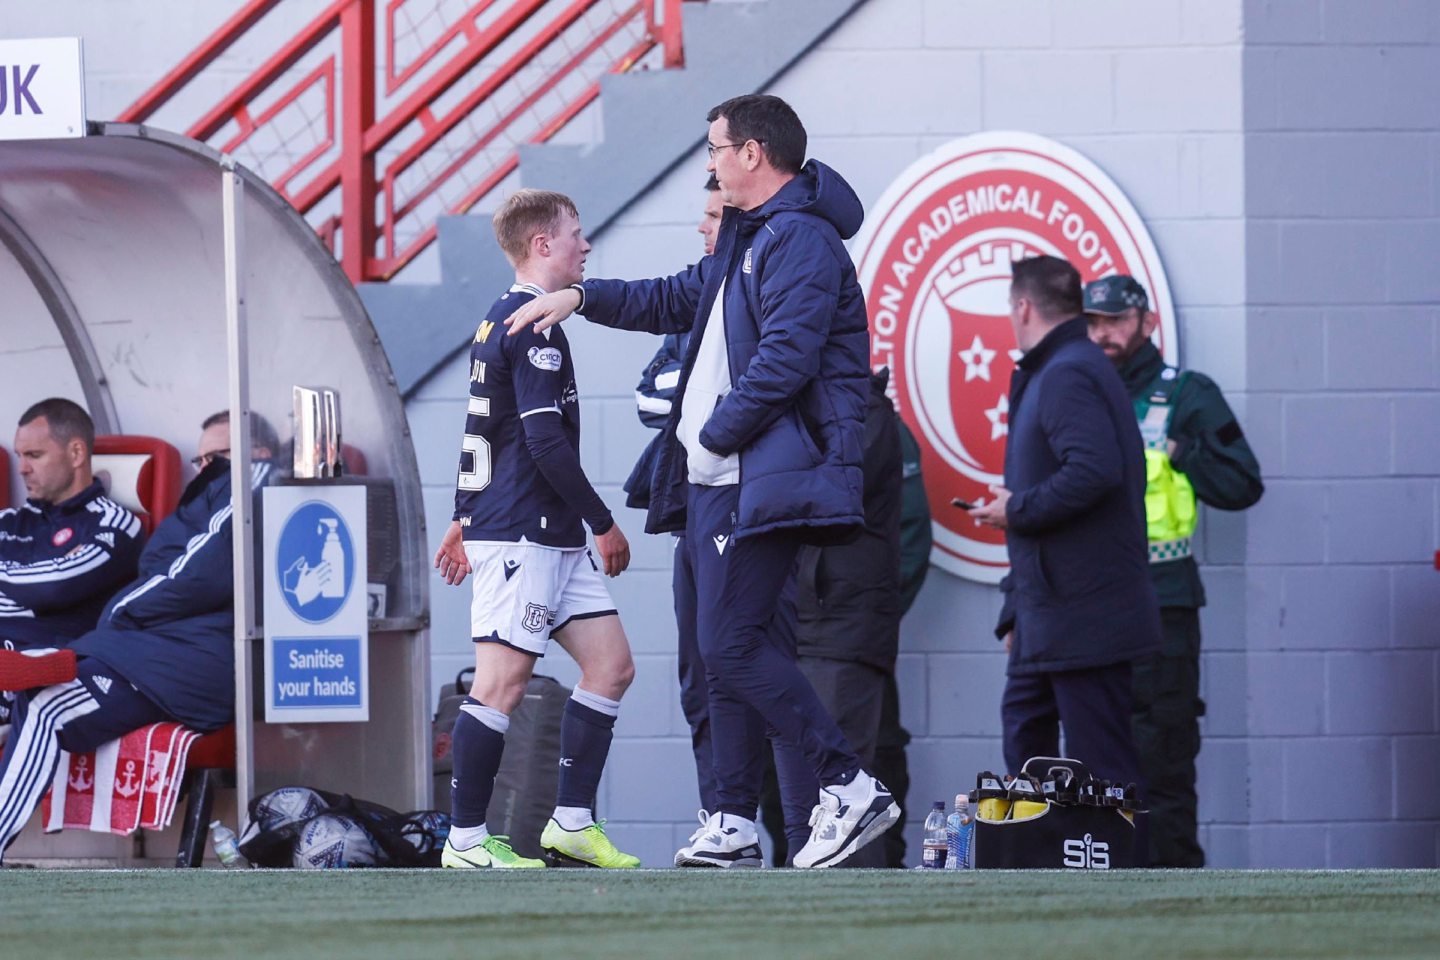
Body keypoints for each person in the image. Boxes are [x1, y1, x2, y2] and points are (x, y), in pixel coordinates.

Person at [505, 94, 899, 869]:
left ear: (752, 153)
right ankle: (733, 819)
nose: (710, 161)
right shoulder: (750, 236)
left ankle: (847, 786)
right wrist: (580, 298)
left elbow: (785, 360)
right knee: (720, 652)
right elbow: (674, 297)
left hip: (759, 474)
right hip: (721, 480)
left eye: (715, 148)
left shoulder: (804, 242)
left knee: (734, 645)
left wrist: (711, 434)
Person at [431, 188, 641, 870]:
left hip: (545, 532)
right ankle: (465, 841)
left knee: (610, 668)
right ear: (542, 245)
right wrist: (604, 523)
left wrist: (460, 517)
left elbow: (477, 430)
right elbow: (546, 446)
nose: (586, 245)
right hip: (525, 530)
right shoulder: (531, 325)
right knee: (502, 682)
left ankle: (572, 823)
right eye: (576, 234)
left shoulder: (505, 320)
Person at [0, 412, 275, 861]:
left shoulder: (255, 482)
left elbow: (201, 573)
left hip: (200, 658)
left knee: (46, 700)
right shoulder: (210, 494)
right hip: (157, 652)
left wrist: (122, 612)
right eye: (201, 458)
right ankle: (53, 660)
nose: (207, 468)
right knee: (42, 689)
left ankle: (55, 659)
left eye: (220, 457)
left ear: (256, 454)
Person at [969, 256, 1159, 859]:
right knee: (1025, 745)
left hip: (1086, 613)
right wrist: (1016, 609)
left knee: (1102, 767)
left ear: (1022, 308)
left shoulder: (1069, 373)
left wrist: (1016, 509)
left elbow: (1094, 471)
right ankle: (1038, 871)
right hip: (1046, 613)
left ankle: (1126, 894)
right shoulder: (1061, 368)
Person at [1084, 275, 1264, 868]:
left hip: (1164, 605)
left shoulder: (1186, 395)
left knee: (1161, 757)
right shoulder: (1076, 390)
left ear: (1145, 322)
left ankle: (1177, 893)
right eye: (1093, 322)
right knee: (1092, 765)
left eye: (1114, 321)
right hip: (1093, 605)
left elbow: (1243, 484)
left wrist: (1188, 453)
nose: (1102, 333)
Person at [0, 399, 145, 735]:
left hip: (45, 675)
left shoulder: (116, 525)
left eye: (34, 455)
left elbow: (54, 587)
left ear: (77, 454)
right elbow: (43, 585)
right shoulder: (9, 523)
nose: (22, 468)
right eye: (19, 456)